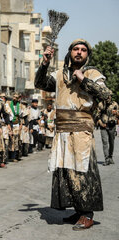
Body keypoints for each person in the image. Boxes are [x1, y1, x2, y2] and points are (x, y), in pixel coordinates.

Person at [35, 39, 111, 230]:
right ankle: (78, 210)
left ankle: (87, 214)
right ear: (70, 52)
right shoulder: (60, 74)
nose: (79, 52)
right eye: (75, 49)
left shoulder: (92, 73)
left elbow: (105, 94)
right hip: (62, 130)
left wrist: (83, 79)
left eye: (83, 50)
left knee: (82, 171)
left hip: (81, 130)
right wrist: (44, 63)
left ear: (87, 54)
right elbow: (40, 83)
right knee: (66, 171)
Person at [96, 94, 118, 165]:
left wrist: (116, 113)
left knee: (111, 142)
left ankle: (110, 157)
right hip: (104, 126)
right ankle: (107, 159)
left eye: (109, 96)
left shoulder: (115, 104)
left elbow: (118, 114)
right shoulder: (100, 104)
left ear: (111, 96)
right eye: (106, 96)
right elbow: (97, 116)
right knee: (105, 142)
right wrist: (101, 123)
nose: (108, 98)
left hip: (112, 126)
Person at [6, 92, 21, 161]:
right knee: (10, 140)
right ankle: (8, 156)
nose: (15, 98)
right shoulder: (8, 104)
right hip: (10, 124)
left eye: (16, 97)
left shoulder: (19, 105)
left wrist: (21, 125)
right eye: (14, 97)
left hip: (16, 124)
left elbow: (21, 116)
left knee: (15, 141)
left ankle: (14, 156)